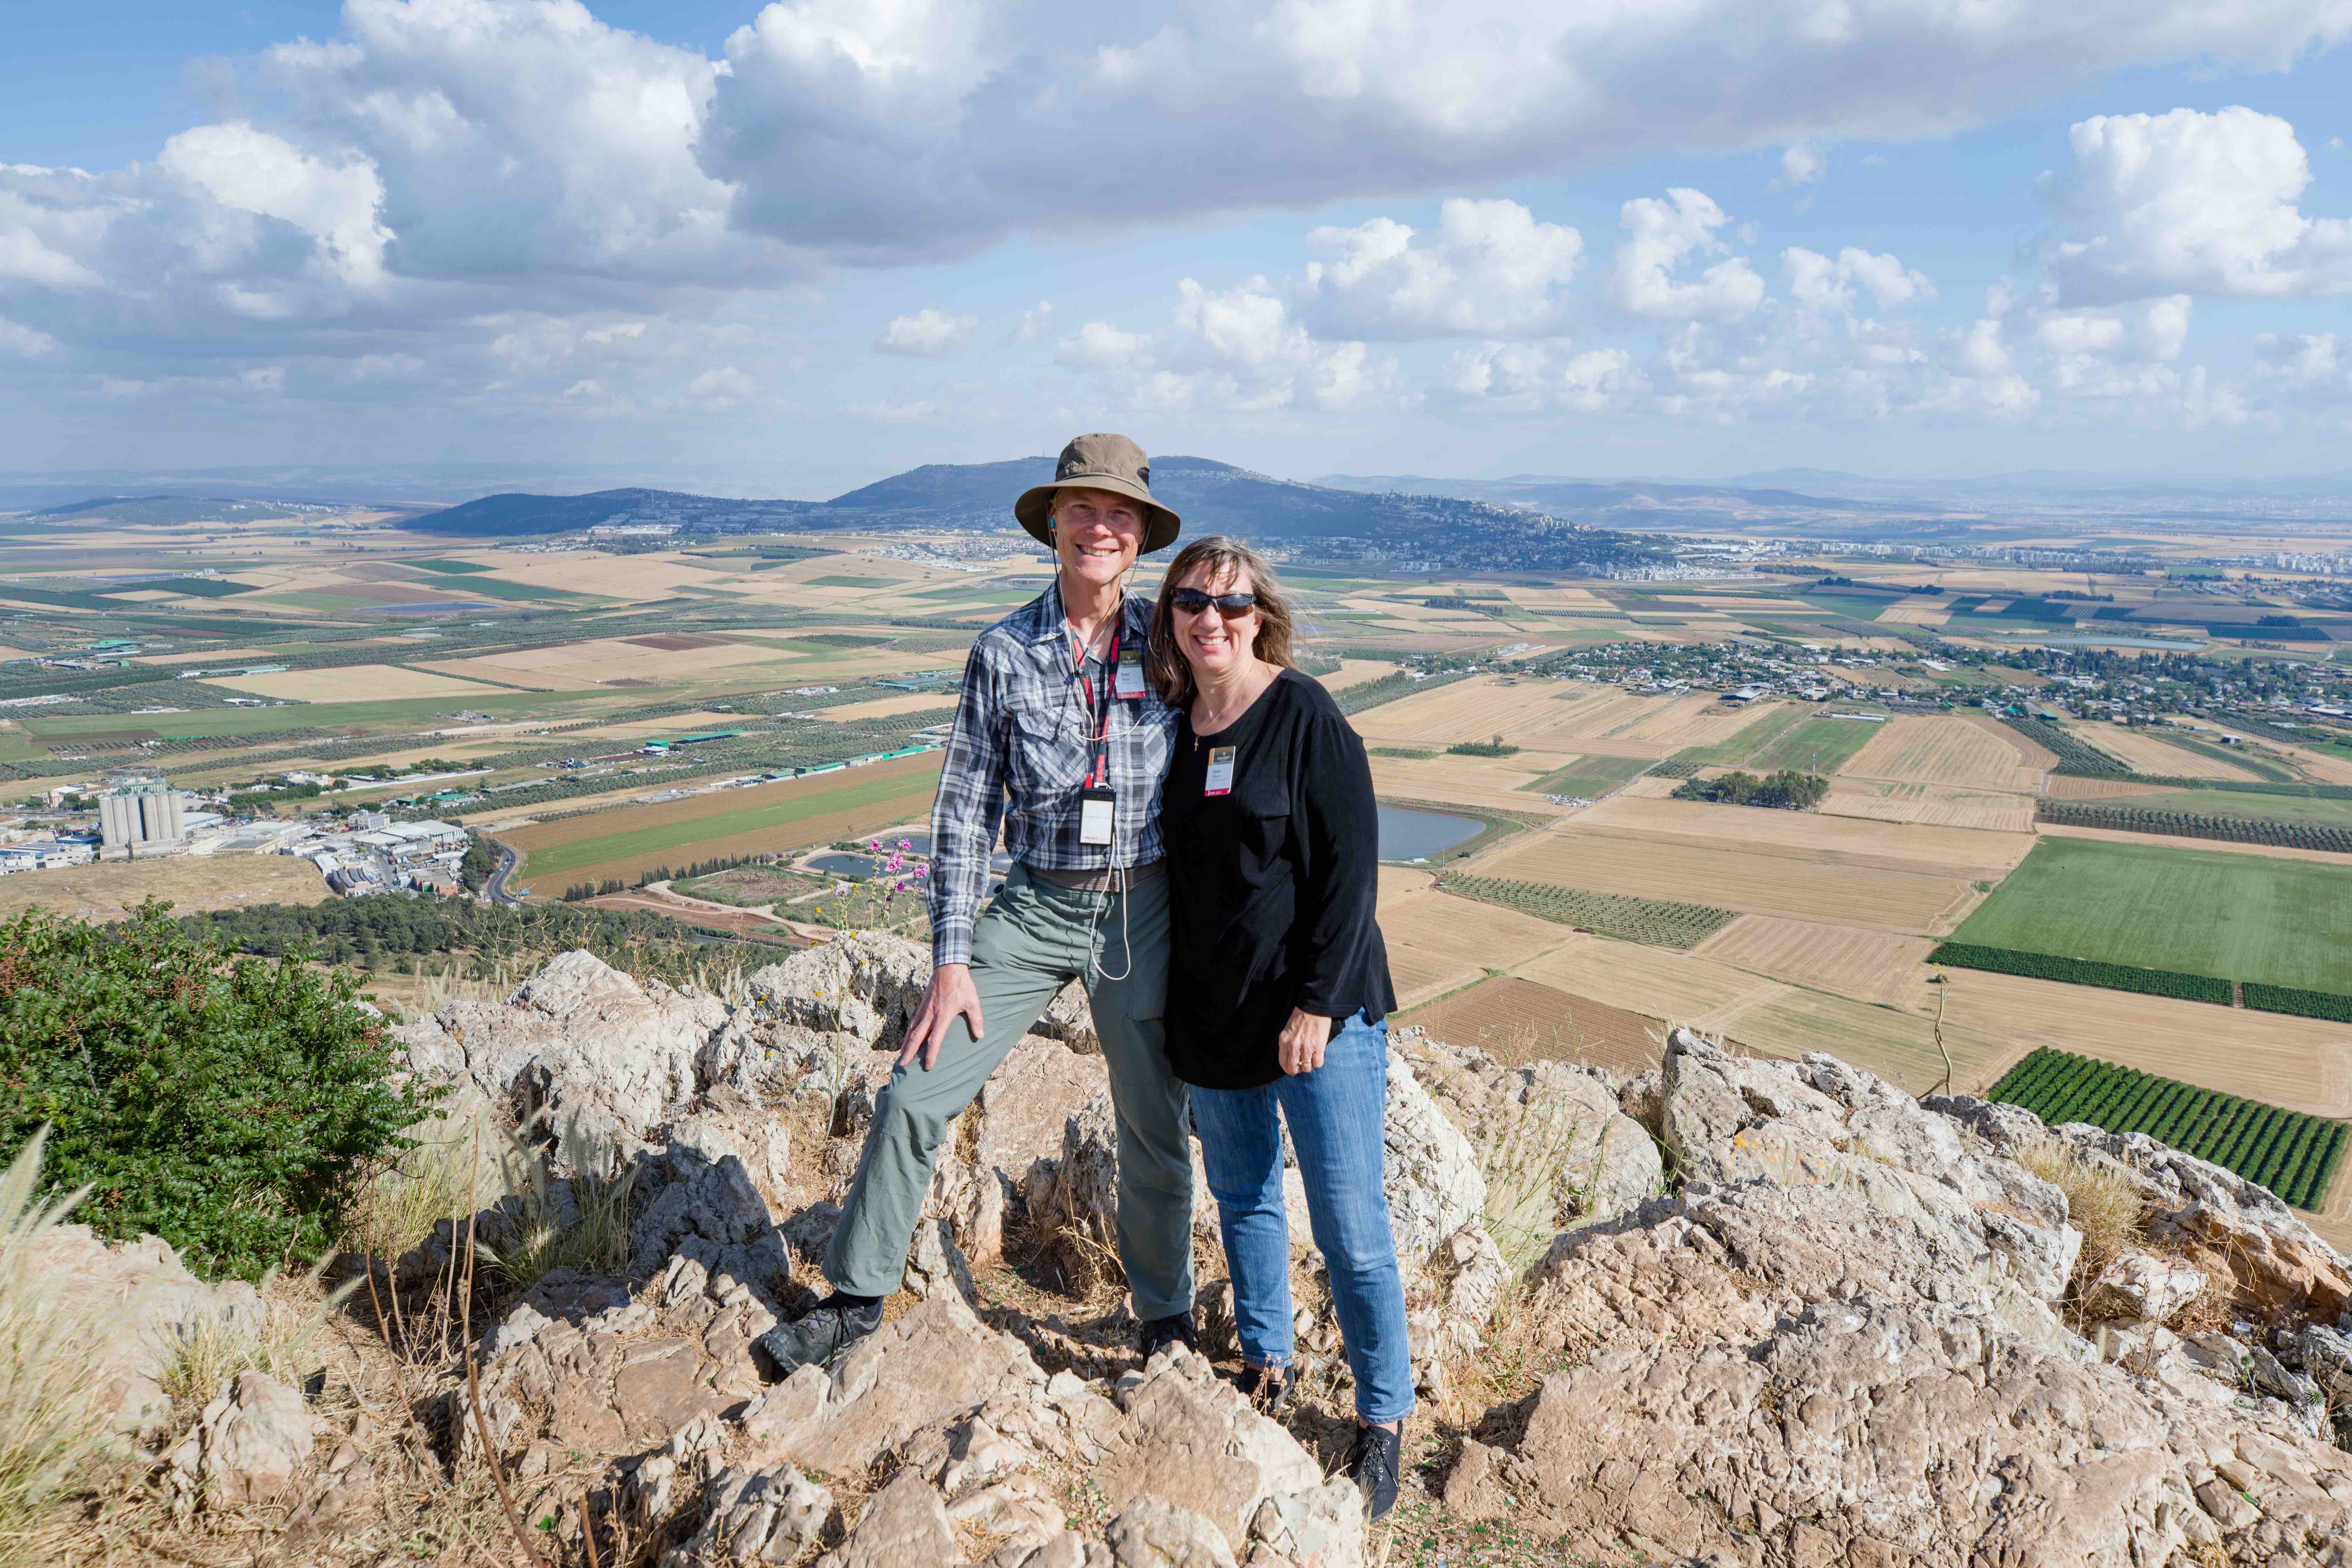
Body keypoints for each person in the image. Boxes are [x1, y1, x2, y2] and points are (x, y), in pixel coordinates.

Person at [759, 434, 1199, 1377]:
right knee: (916, 1090)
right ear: (1053, 523)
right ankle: (857, 1297)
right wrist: (951, 961)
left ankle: (1166, 1320)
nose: (1100, 527)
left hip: (1145, 907)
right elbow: (963, 817)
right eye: (1082, 508)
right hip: (1034, 907)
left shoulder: (1173, 639)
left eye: (1119, 514)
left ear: (1140, 538)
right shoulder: (1002, 653)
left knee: (1153, 1120)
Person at [1148, 536, 1410, 1520]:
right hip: (1216, 1012)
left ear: (1263, 614)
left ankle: (1383, 1419)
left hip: (1316, 1018)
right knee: (1245, 1197)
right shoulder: (1179, 724)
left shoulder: (1304, 715)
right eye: (1192, 603)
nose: (1212, 619)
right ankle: (1267, 1364)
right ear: (1170, 617)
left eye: (1232, 603)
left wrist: (1318, 1005)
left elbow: (1351, 876)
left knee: (1351, 1227)